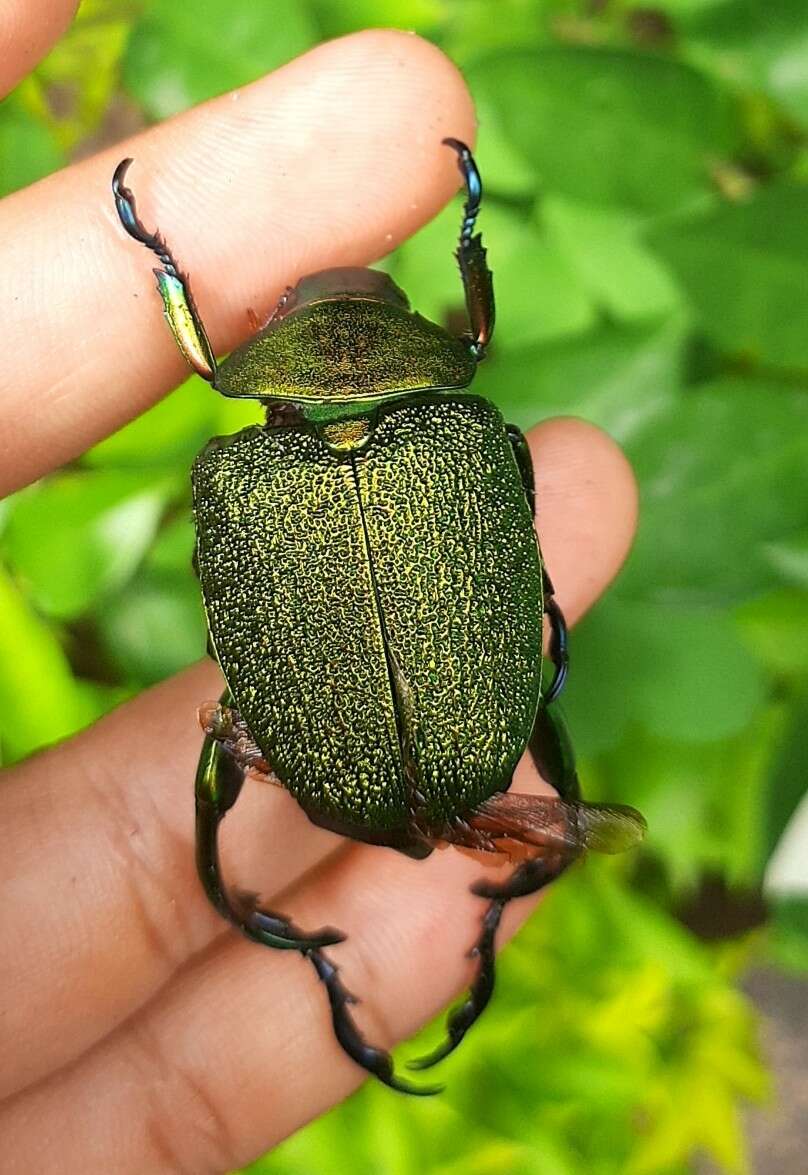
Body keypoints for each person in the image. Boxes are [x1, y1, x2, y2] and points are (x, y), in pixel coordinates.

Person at [0, 12, 638, 1172]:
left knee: (234, 753)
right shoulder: (469, 440)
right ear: (439, 341)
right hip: (445, 734)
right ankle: (340, 894)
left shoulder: (247, 467)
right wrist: (467, 228)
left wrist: (167, 270)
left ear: (257, 358)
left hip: (355, 748)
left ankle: (233, 887)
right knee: (541, 702)